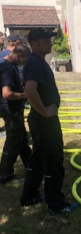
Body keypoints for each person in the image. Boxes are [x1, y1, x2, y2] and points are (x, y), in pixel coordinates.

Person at [20, 28, 78, 215]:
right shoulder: (36, 63)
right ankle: (57, 204)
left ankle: (30, 196)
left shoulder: (36, 61)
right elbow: (30, 91)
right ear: (34, 44)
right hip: (44, 121)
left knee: (37, 159)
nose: (51, 43)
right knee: (53, 160)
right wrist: (44, 111)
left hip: (39, 119)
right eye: (46, 41)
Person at [0, 45, 32, 184]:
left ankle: (32, 168)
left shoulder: (9, 65)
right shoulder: (6, 67)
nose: (22, 64)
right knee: (13, 141)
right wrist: (25, 94)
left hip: (15, 110)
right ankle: (5, 175)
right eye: (23, 61)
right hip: (10, 110)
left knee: (22, 139)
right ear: (18, 55)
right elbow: (7, 94)